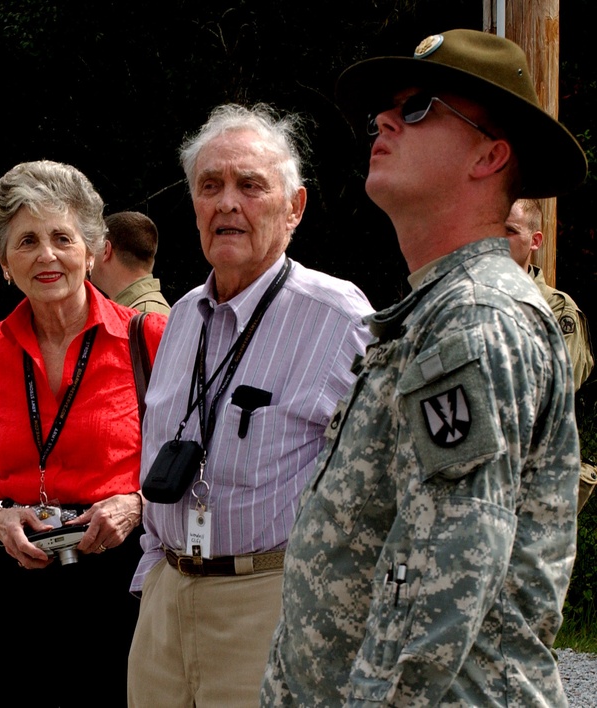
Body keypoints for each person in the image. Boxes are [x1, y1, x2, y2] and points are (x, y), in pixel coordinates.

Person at [263, 29, 587, 706]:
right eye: (388, 108)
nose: (384, 119)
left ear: (488, 155)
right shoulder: (430, 312)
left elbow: (447, 568)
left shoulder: (476, 318)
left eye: (417, 108)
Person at [127, 103, 373, 707]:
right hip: (166, 600)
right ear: (193, 206)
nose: (227, 203)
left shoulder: (340, 318)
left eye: (251, 185)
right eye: (210, 186)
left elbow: (382, 489)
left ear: (295, 208)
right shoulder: (181, 317)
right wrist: (153, 576)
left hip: (271, 602)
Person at [0, 160, 167, 707]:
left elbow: (197, 464)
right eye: (26, 241)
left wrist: (136, 505)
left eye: (62, 237)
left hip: (121, 575)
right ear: (3, 260)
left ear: (93, 249)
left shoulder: (150, 339)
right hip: (15, 579)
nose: (46, 256)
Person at [505, 197, 593, 390]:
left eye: (509, 231)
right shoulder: (468, 300)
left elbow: (556, 388)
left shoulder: (558, 310)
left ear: (535, 241)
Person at [89, 210, 171, 314]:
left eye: (93, 249)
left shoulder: (145, 316)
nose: (89, 259)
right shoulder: (139, 311)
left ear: (106, 250)